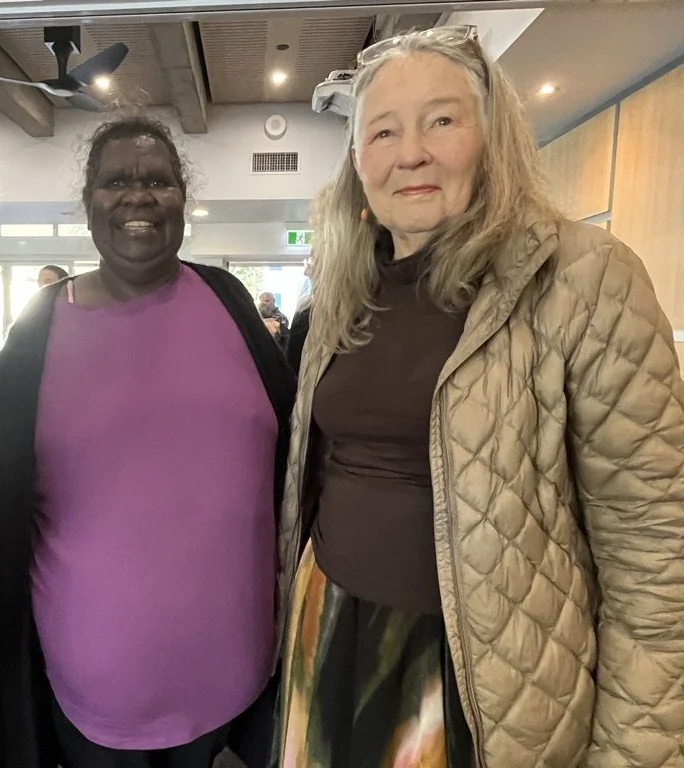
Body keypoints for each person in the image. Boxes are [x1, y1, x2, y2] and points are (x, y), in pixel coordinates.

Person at [275, 24, 684, 768]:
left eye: (442, 120)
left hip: (482, 673)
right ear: (357, 162)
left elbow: (655, 545)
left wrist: (636, 748)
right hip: (329, 626)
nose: (412, 153)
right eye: (383, 132)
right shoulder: (341, 293)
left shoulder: (583, 278)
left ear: (492, 138)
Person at [0, 116, 296, 768]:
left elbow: (291, 447)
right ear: (88, 202)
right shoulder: (40, 330)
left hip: (237, 669)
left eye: (158, 180)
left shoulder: (228, 299)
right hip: (97, 689)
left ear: (183, 197)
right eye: (116, 181)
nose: (139, 196)